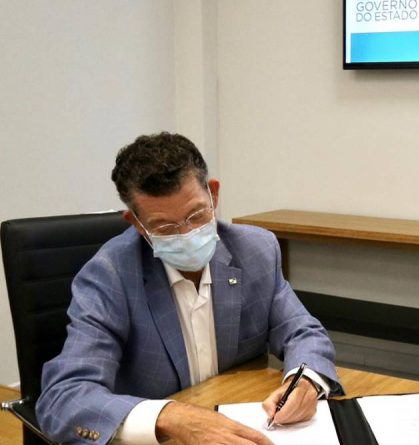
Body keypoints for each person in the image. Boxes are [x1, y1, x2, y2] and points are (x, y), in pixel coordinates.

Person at [36, 132, 342, 444]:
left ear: (214, 194)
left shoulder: (256, 250)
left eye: (196, 215)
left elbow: (302, 331)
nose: (186, 233)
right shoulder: (109, 275)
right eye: (164, 227)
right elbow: (63, 399)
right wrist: (169, 416)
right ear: (137, 223)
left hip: (236, 423)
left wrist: (306, 381)